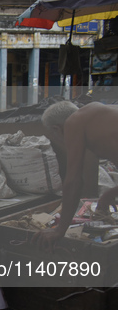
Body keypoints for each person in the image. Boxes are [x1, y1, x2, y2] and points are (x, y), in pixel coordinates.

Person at [32, 101, 118, 251]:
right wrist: (108, 196)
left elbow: (73, 181)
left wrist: (59, 230)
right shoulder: (98, 114)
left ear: (56, 129)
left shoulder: (74, 122)